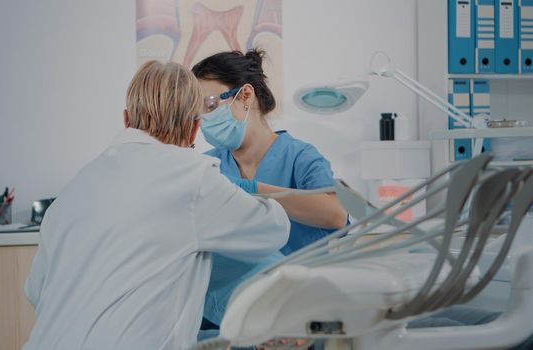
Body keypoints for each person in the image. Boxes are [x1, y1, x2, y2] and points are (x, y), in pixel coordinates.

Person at [23, 61, 290, 350]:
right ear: (194, 129)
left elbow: (36, 290)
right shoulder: (193, 177)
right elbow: (273, 229)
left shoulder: (74, 188)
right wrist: (247, 189)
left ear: (126, 120)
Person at [191, 49, 347, 331]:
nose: (205, 120)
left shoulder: (301, 157)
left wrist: (252, 188)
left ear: (246, 96)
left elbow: (335, 215)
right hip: (228, 316)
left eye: (211, 105)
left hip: (298, 313)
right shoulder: (207, 166)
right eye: (199, 112)